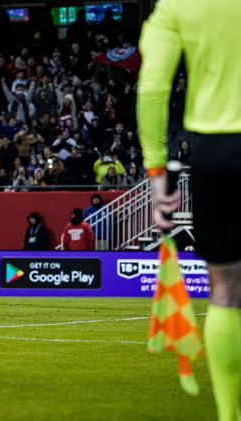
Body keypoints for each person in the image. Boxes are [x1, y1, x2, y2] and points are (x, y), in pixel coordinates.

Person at [138, 2, 241, 419]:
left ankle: (229, 414)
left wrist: (157, 169)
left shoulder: (178, 5)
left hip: (217, 149)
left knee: (227, 293)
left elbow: (152, 89)